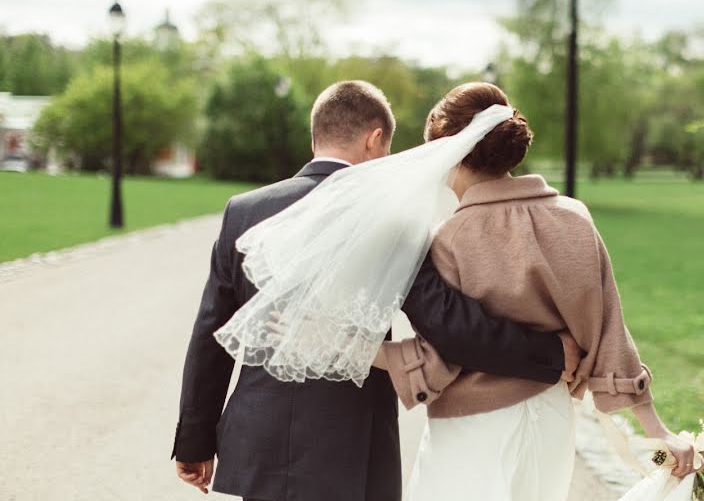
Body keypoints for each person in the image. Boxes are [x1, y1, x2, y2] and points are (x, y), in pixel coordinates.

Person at [172, 81, 582, 501]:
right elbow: (449, 325)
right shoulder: (391, 219)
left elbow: (212, 333)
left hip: (263, 445)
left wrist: (195, 440)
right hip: (351, 448)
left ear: (316, 136)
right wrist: (550, 354)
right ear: (374, 140)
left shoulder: (244, 211)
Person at [374, 82, 704, 501]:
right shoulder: (574, 219)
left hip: (469, 431)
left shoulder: (449, 238)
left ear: (451, 152)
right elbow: (610, 331)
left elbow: (443, 355)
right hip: (551, 420)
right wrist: (658, 430)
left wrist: (357, 352)